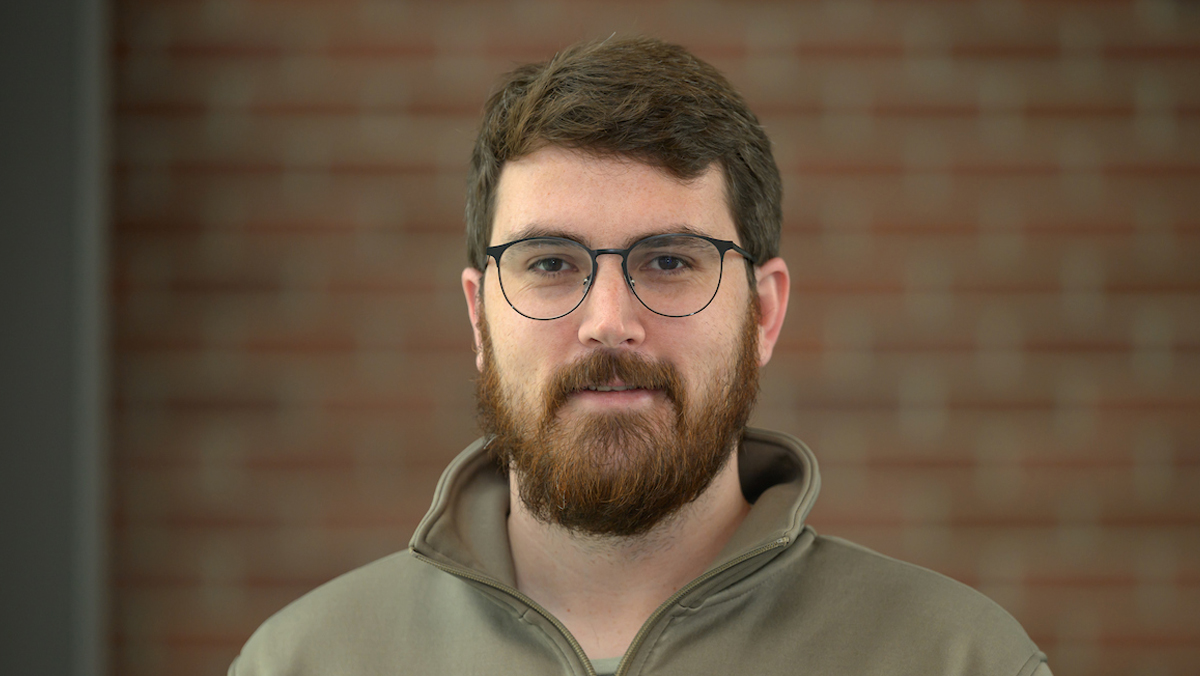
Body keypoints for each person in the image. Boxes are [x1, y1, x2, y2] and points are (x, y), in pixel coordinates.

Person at [229, 36, 1050, 676]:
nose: (609, 322)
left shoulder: (957, 659)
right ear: (479, 319)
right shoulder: (303, 662)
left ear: (763, 312)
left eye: (669, 261)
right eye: (551, 264)